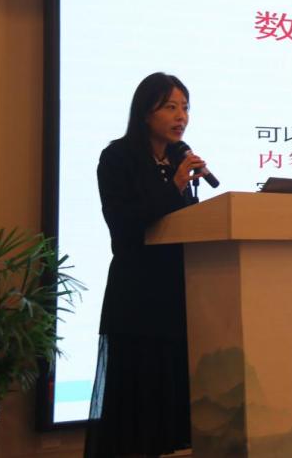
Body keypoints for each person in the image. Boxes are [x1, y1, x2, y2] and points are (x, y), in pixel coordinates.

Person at [84, 73, 207, 458]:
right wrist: (175, 185)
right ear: (144, 112)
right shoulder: (117, 158)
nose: (181, 116)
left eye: (185, 107)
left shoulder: (177, 161)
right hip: (137, 292)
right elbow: (126, 223)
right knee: (139, 388)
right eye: (170, 107)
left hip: (176, 292)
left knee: (174, 387)